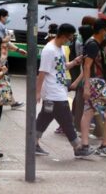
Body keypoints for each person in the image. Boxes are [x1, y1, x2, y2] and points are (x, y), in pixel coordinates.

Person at [34, 23, 93, 157]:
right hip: (54, 93)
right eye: (70, 38)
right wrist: (37, 92)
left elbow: (61, 67)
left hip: (58, 89)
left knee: (45, 117)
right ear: (63, 35)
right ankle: (78, 147)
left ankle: (33, 143)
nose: (70, 41)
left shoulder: (59, 48)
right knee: (66, 120)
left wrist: (74, 62)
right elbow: (42, 73)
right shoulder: (49, 50)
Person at [75, 19, 106, 157]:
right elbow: (87, 66)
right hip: (95, 83)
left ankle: (84, 145)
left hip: (94, 82)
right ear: (102, 30)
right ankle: (104, 145)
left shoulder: (91, 42)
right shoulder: (93, 44)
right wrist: (87, 86)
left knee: (88, 112)